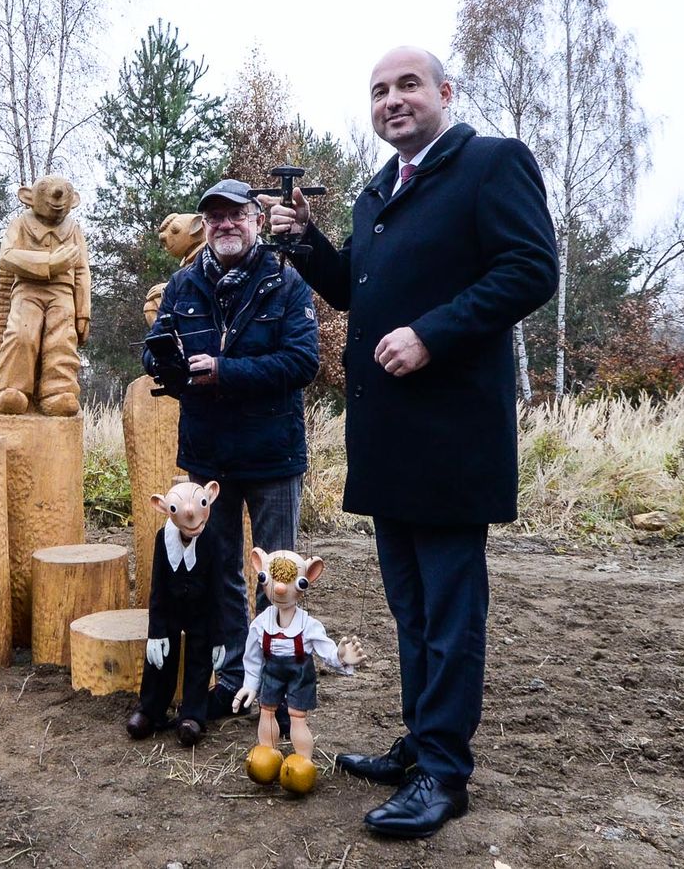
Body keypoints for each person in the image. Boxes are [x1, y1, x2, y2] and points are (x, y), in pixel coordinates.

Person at [264, 46, 557, 840]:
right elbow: (352, 286)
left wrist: (432, 334)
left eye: (407, 86)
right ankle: (422, 743)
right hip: (387, 436)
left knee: (451, 610)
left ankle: (444, 775)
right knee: (411, 608)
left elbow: (533, 269)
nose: (392, 100)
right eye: (379, 91)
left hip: (452, 434)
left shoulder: (491, 164)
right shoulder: (376, 194)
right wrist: (307, 242)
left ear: (443, 93)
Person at [142, 177, 320, 721]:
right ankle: (230, 681)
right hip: (208, 457)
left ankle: (280, 688)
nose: (225, 224)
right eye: (214, 216)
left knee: (278, 574)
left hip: (272, 454)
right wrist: (163, 367)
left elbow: (302, 363)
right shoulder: (182, 285)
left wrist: (223, 371)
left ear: (255, 220)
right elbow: (157, 352)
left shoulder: (286, 282)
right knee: (218, 574)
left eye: (235, 215)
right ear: (206, 226)